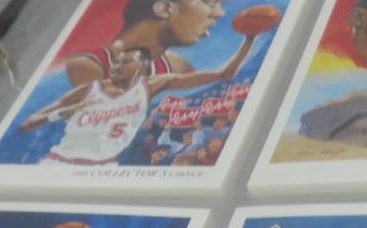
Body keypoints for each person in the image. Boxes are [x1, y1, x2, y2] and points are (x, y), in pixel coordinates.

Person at [21, 32, 261, 166]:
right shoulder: (87, 90)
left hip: (105, 166)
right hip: (60, 161)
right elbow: (28, 124)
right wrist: (61, 113)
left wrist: (249, 39)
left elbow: (224, 74)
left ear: (143, 65)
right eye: (115, 62)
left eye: (125, 61)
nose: (116, 65)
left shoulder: (151, 85)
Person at [62, 0, 226, 87]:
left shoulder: (177, 65)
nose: (220, 13)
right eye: (210, 2)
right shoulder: (88, 64)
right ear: (165, 9)